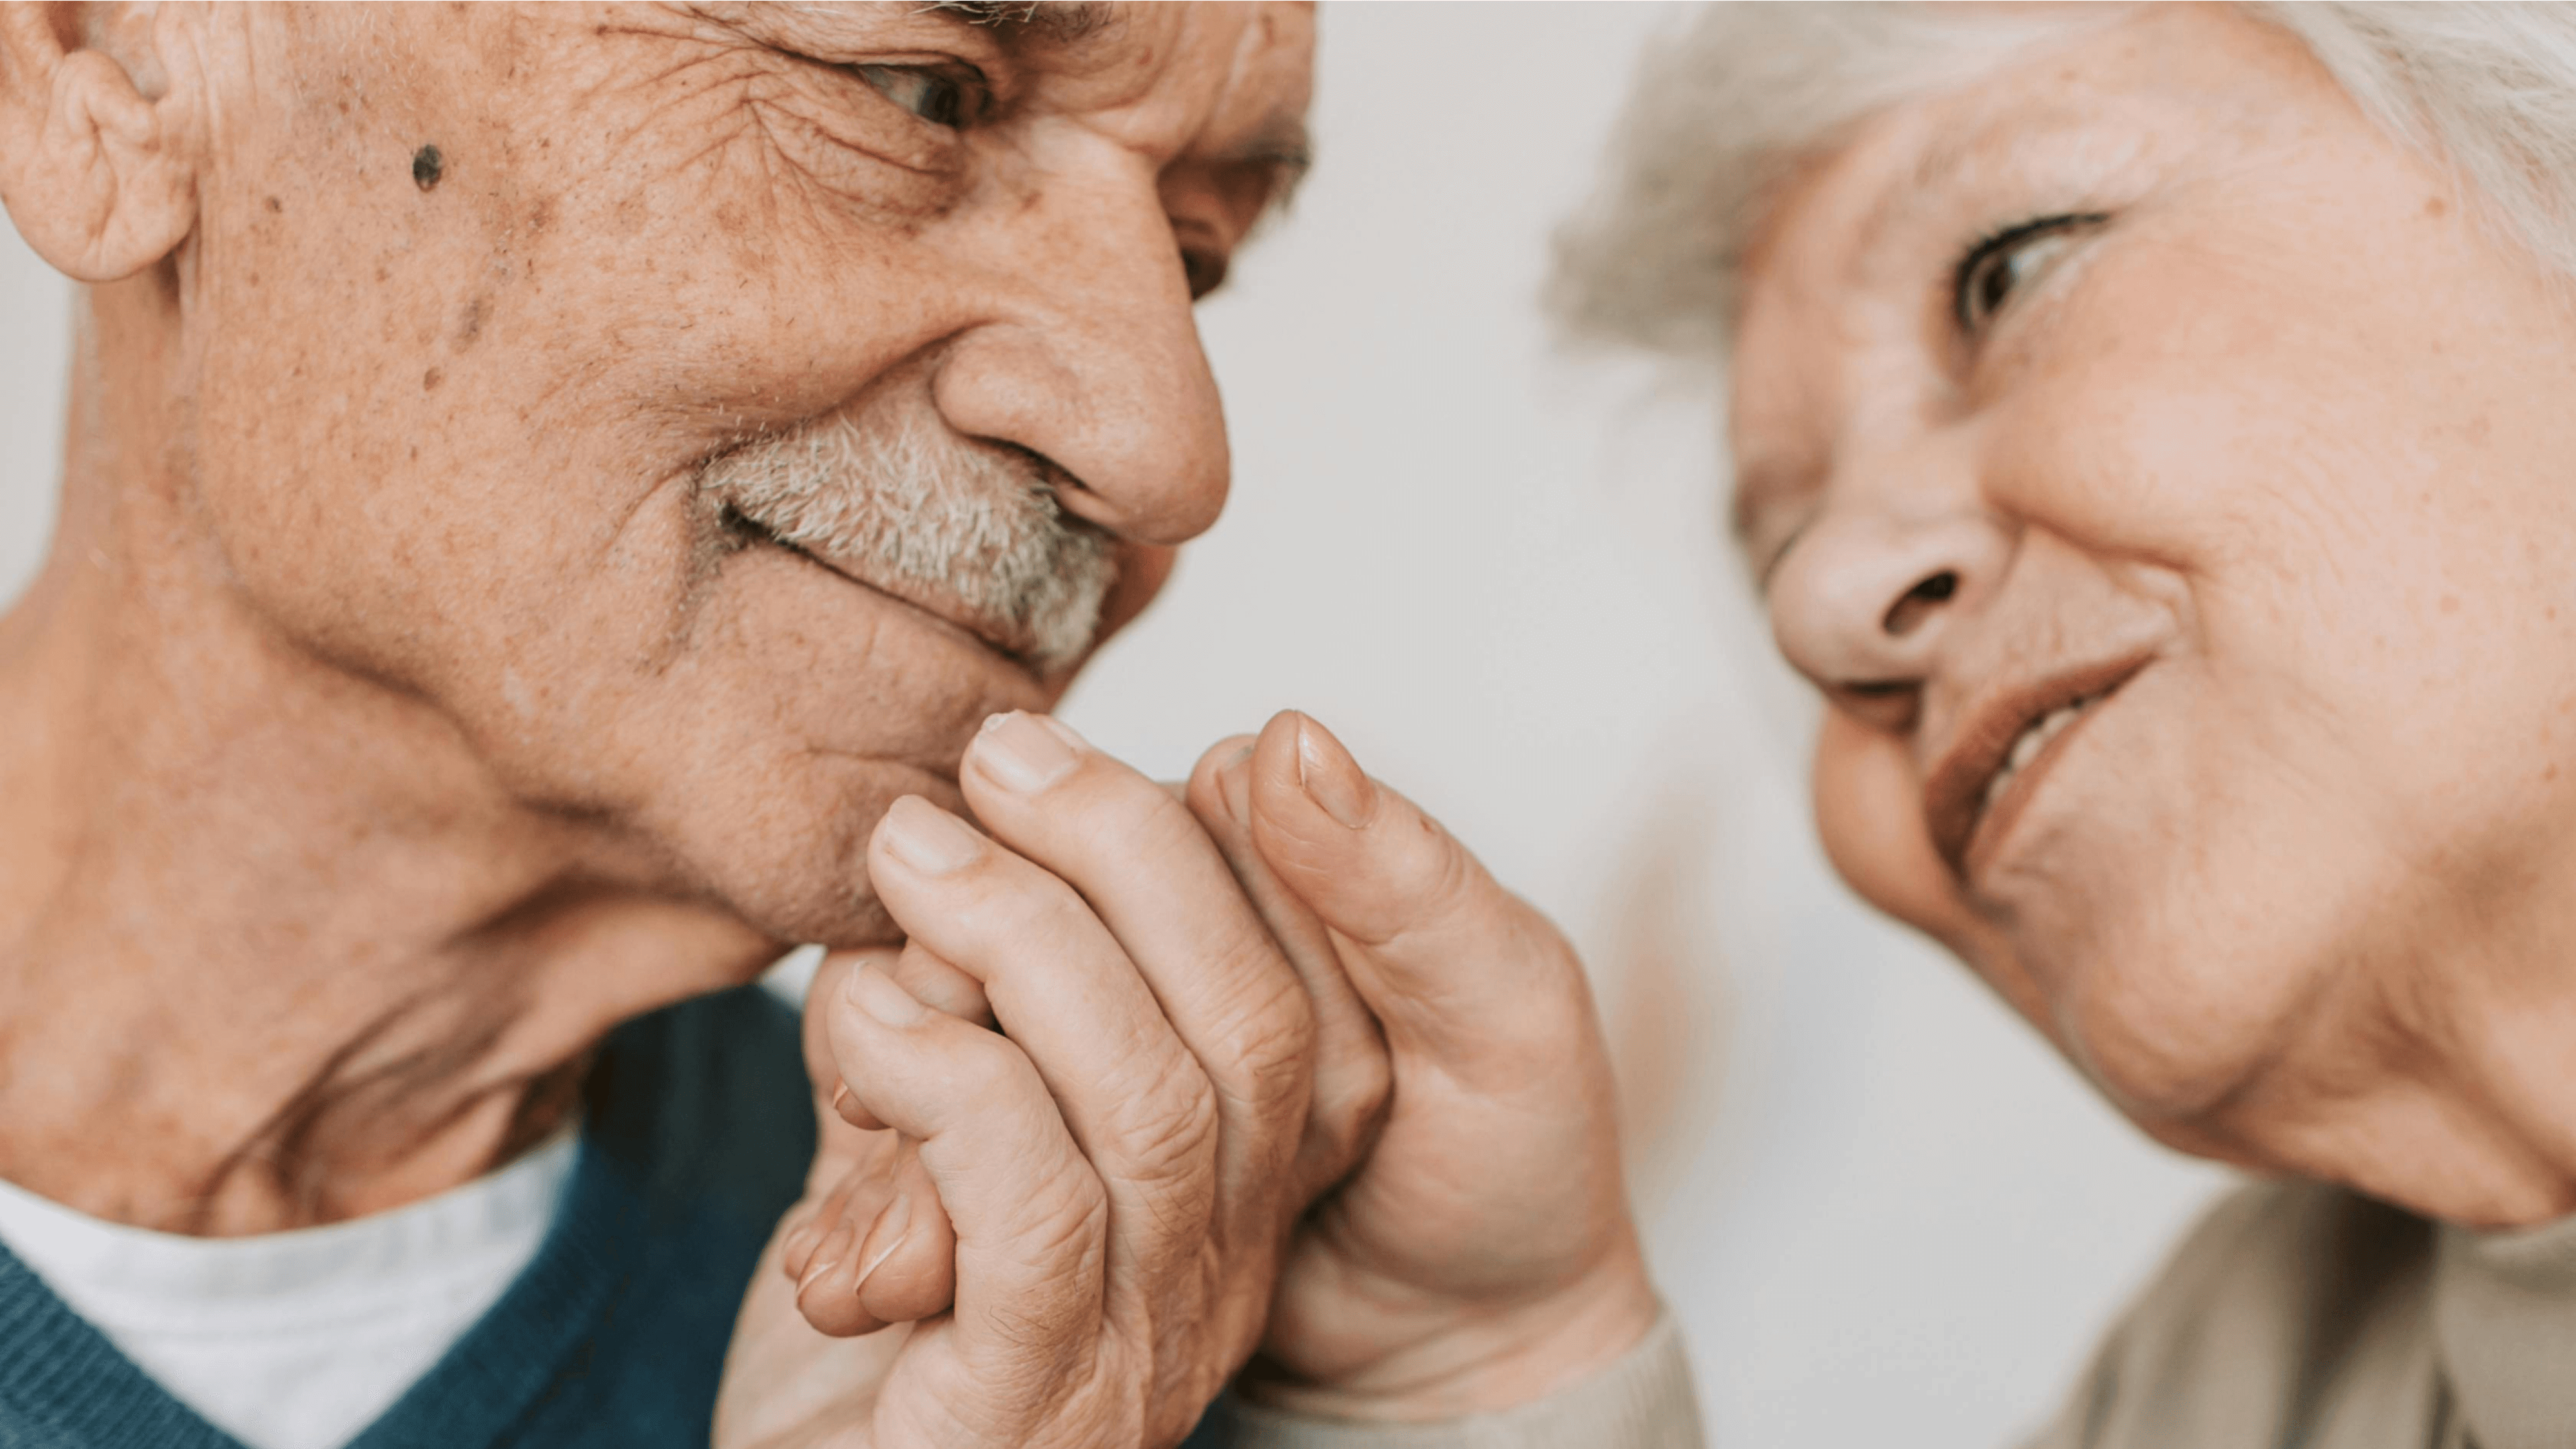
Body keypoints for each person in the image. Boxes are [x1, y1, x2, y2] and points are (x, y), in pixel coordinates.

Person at [1078, 0, 2576, 1444]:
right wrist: (1479, 1379)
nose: (1823, 612)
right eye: (1779, 560)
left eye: (2008, 274)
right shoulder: (2232, 1386)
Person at [0, 2, 1389, 1446]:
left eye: (1197, 257)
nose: (1169, 455)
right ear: (95, 60)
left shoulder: (1044, 1340)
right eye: (915, 96)